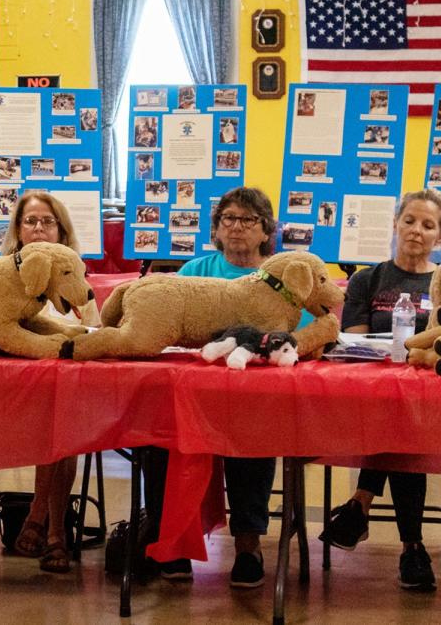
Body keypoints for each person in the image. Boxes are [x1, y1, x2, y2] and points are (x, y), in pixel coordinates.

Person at [144, 186, 282, 586]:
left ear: (264, 230)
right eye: (228, 219)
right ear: (217, 229)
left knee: (253, 441)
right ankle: (171, 541)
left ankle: (248, 545)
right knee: (159, 439)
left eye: (248, 220)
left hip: (256, 396)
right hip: (194, 393)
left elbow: (297, 333)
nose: (237, 228)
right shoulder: (194, 272)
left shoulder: (278, 275)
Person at [319, 188, 441, 592]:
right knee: (398, 420)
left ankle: (360, 503)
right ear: (396, 225)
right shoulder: (366, 279)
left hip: (431, 392)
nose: (416, 231)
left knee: (403, 421)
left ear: (439, 237)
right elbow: (354, 340)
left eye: (428, 225)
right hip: (373, 389)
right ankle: (413, 546)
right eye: (409, 221)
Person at [0, 191, 101, 573]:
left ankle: (42, 520)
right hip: (13, 391)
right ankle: (53, 526)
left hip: (65, 386)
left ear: (61, 230)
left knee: (62, 422)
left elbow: (93, 328)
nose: (39, 228)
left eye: (47, 221)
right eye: (30, 221)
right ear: (18, 230)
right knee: (56, 423)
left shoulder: (74, 272)